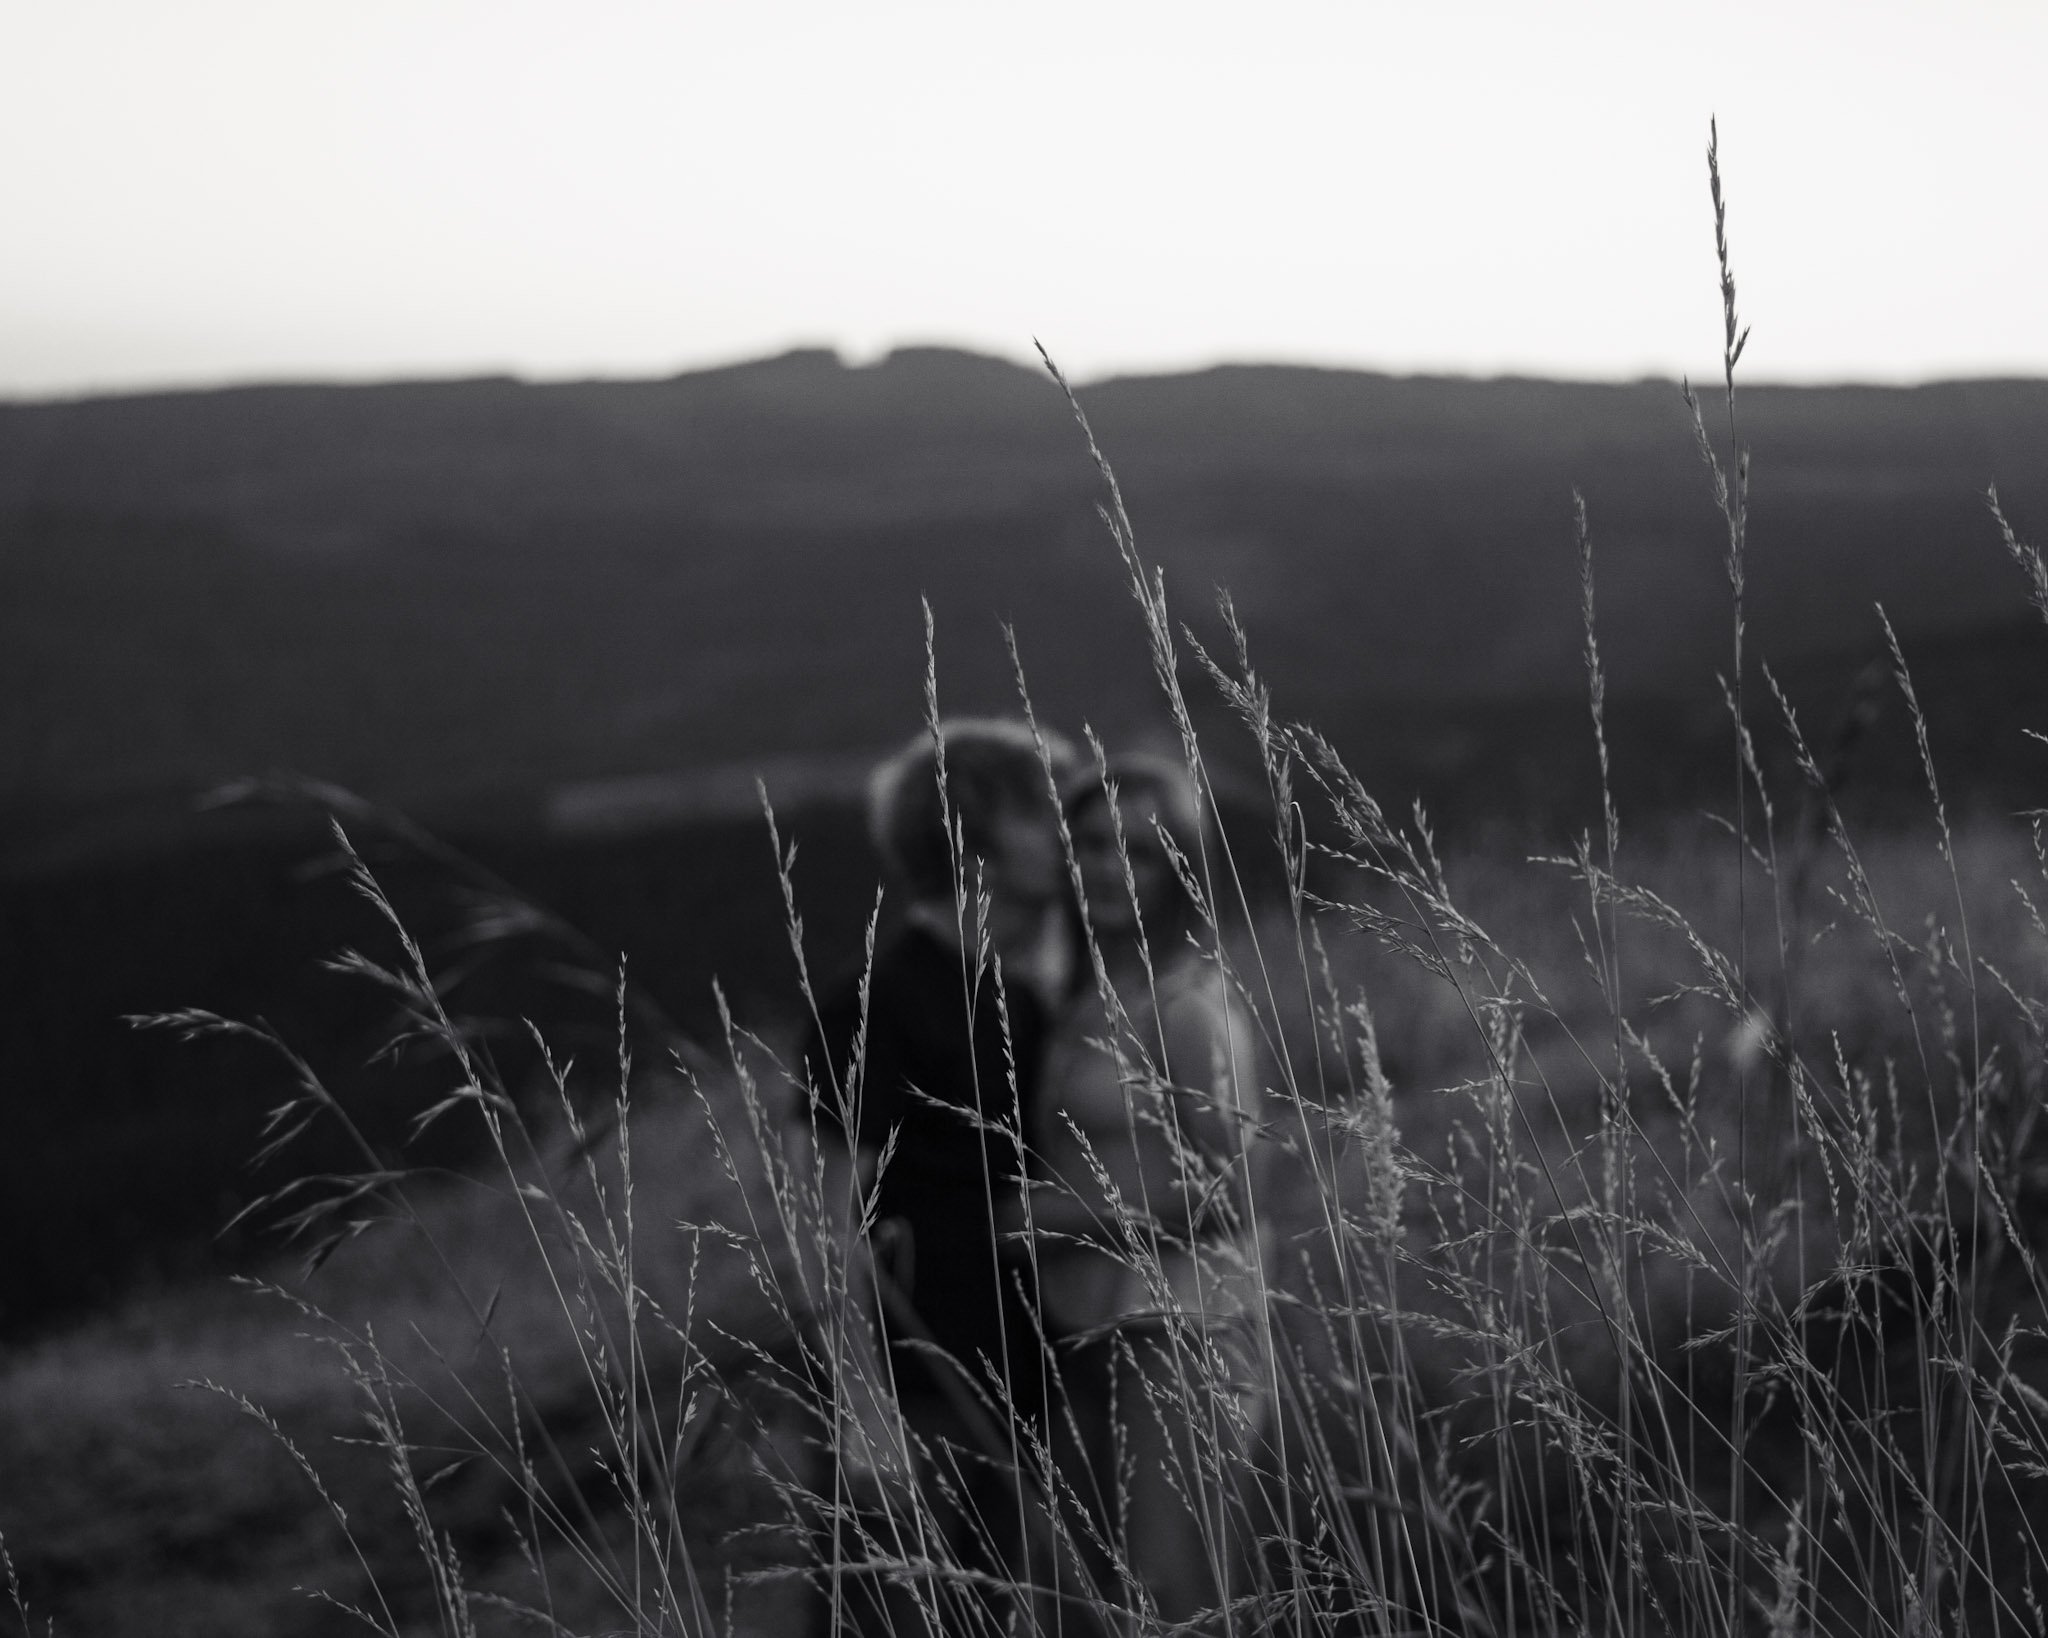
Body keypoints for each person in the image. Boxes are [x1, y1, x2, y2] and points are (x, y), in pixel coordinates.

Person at [793, 717, 1075, 1638]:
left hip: (1013, 1380)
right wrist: (864, 1415)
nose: (1071, 840)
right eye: (1047, 816)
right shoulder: (871, 1003)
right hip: (915, 1391)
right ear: (975, 832)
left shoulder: (1020, 997)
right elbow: (823, 1221)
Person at [1028, 753, 1268, 1634]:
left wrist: (1041, 1223)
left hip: (1179, 1333)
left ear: (1181, 872)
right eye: (1089, 843)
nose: (1104, 867)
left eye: (1137, 851)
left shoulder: (1192, 1005)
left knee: (1176, 1601)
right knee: (1091, 1603)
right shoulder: (1083, 999)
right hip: (1081, 1331)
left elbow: (1233, 1193)